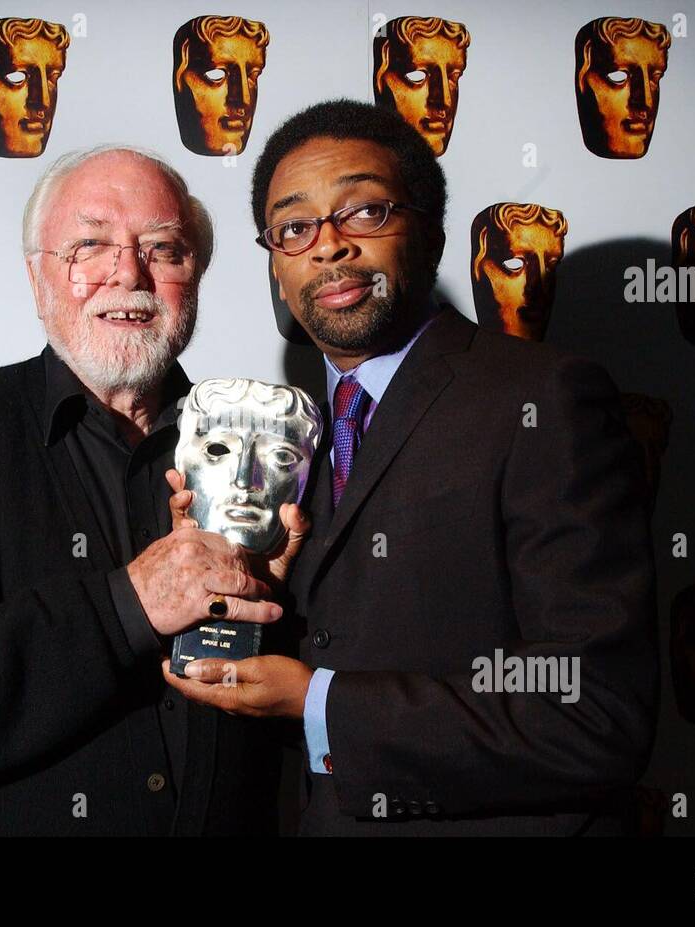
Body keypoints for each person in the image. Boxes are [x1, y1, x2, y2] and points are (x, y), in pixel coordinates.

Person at [165, 99, 659, 835]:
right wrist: (250, 598)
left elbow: (594, 713)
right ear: (275, 262)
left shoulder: (541, 398)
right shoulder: (288, 435)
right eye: (295, 227)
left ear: (428, 233)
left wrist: (319, 702)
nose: (328, 246)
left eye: (363, 212)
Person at [0, 144, 304, 835]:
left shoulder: (261, 446)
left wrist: (277, 608)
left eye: (164, 249)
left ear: (194, 278)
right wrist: (131, 603)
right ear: (38, 279)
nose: (128, 272)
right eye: (90, 246)